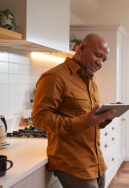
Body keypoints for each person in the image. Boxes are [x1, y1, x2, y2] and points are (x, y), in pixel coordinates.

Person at [32, 33, 115, 188]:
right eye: (98, 56)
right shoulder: (55, 77)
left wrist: (106, 117)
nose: (101, 63)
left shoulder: (91, 81)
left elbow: (90, 122)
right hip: (73, 165)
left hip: (96, 163)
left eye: (104, 59)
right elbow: (40, 119)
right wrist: (85, 121)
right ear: (82, 48)